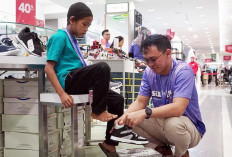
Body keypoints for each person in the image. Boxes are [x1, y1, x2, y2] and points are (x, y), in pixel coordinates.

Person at [44, 2, 124, 156]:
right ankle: (97, 111)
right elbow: (49, 68)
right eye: (84, 24)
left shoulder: (73, 39)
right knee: (102, 67)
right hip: (69, 80)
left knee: (117, 100)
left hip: (79, 79)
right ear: (72, 20)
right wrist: (62, 94)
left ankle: (110, 143)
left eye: (89, 25)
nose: (86, 29)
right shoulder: (60, 36)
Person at [113, 34, 206, 157]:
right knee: (129, 116)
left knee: (173, 124)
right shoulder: (149, 72)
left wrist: (145, 112)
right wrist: (123, 119)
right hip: (164, 125)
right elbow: (140, 102)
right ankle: (161, 148)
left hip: (189, 129)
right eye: (146, 60)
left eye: (153, 59)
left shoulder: (183, 71)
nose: (150, 64)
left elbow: (178, 108)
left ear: (168, 53)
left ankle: (181, 153)